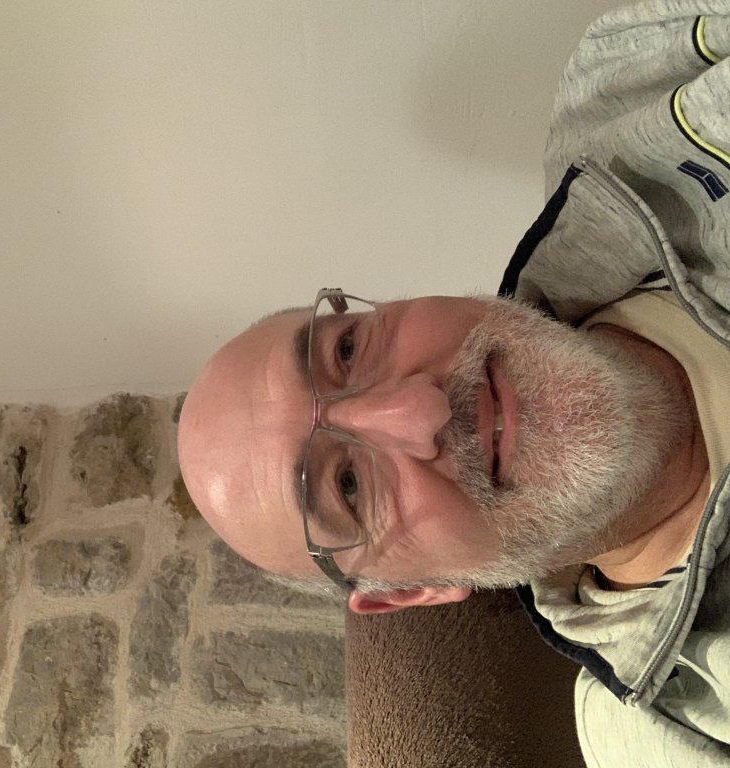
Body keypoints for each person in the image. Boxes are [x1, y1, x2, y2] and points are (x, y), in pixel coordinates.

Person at [177, 4, 730, 766]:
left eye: (346, 351)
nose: (421, 409)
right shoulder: (670, 736)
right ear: (411, 592)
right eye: (347, 486)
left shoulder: (629, 96)